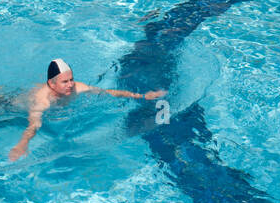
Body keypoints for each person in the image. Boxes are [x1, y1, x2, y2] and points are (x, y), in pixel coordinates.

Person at [8, 59, 166, 161]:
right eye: (64, 82)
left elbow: (108, 93)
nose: (70, 84)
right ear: (51, 83)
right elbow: (34, 125)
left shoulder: (77, 88)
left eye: (71, 79)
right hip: (7, 105)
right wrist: (22, 144)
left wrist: (142, 96)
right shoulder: (42, 101)